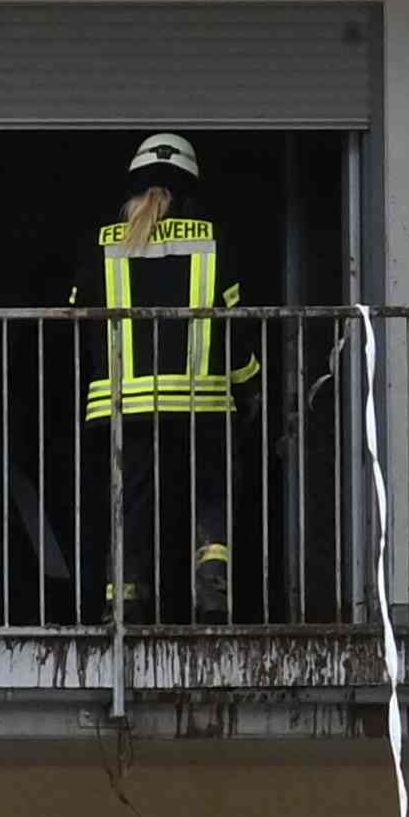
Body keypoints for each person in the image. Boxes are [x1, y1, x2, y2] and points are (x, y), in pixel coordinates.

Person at [74, 131, 260, 624]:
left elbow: (75, 314)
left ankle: (125, 598)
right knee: (212, 491)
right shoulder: (214, 242)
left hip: (123, 405)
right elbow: (234, 326)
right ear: (188, 189)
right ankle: (212, 589)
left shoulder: (101, 243)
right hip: (202, 402)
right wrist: (249, 385)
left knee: (129, 500)